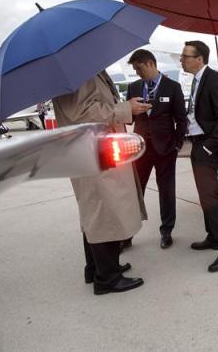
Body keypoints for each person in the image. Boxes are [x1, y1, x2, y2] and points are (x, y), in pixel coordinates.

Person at [52, 70, 151, 295]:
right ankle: (107, 277)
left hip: (93, 150)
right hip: (93, 153)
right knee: (104, 211)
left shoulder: (81, 72)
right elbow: (81, 112)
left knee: (96, 210)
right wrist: (126, 108)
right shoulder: (78, 74)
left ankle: (98, 267)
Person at [180, 40, 218, 272]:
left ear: (199, 59)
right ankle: (213, 237)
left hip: (206, 146)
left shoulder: (215, 80)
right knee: (204, 196)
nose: (182, 60)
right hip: (197, 144)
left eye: (185, 56)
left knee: (210, 196)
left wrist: (208, 147)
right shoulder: (197, 80)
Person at [126, 49, 187, 249]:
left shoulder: (172, 87)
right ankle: (127, 235)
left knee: (166, 191)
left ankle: (166, 231)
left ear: (151, 63)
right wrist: (127, 109)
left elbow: (181, 119)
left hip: (166, 149)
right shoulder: (134, 87)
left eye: (140, 68)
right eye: (135, 69)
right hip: (141, 149)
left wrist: (177, 145)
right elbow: (129, 118)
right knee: (136, 192)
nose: (138, 73)